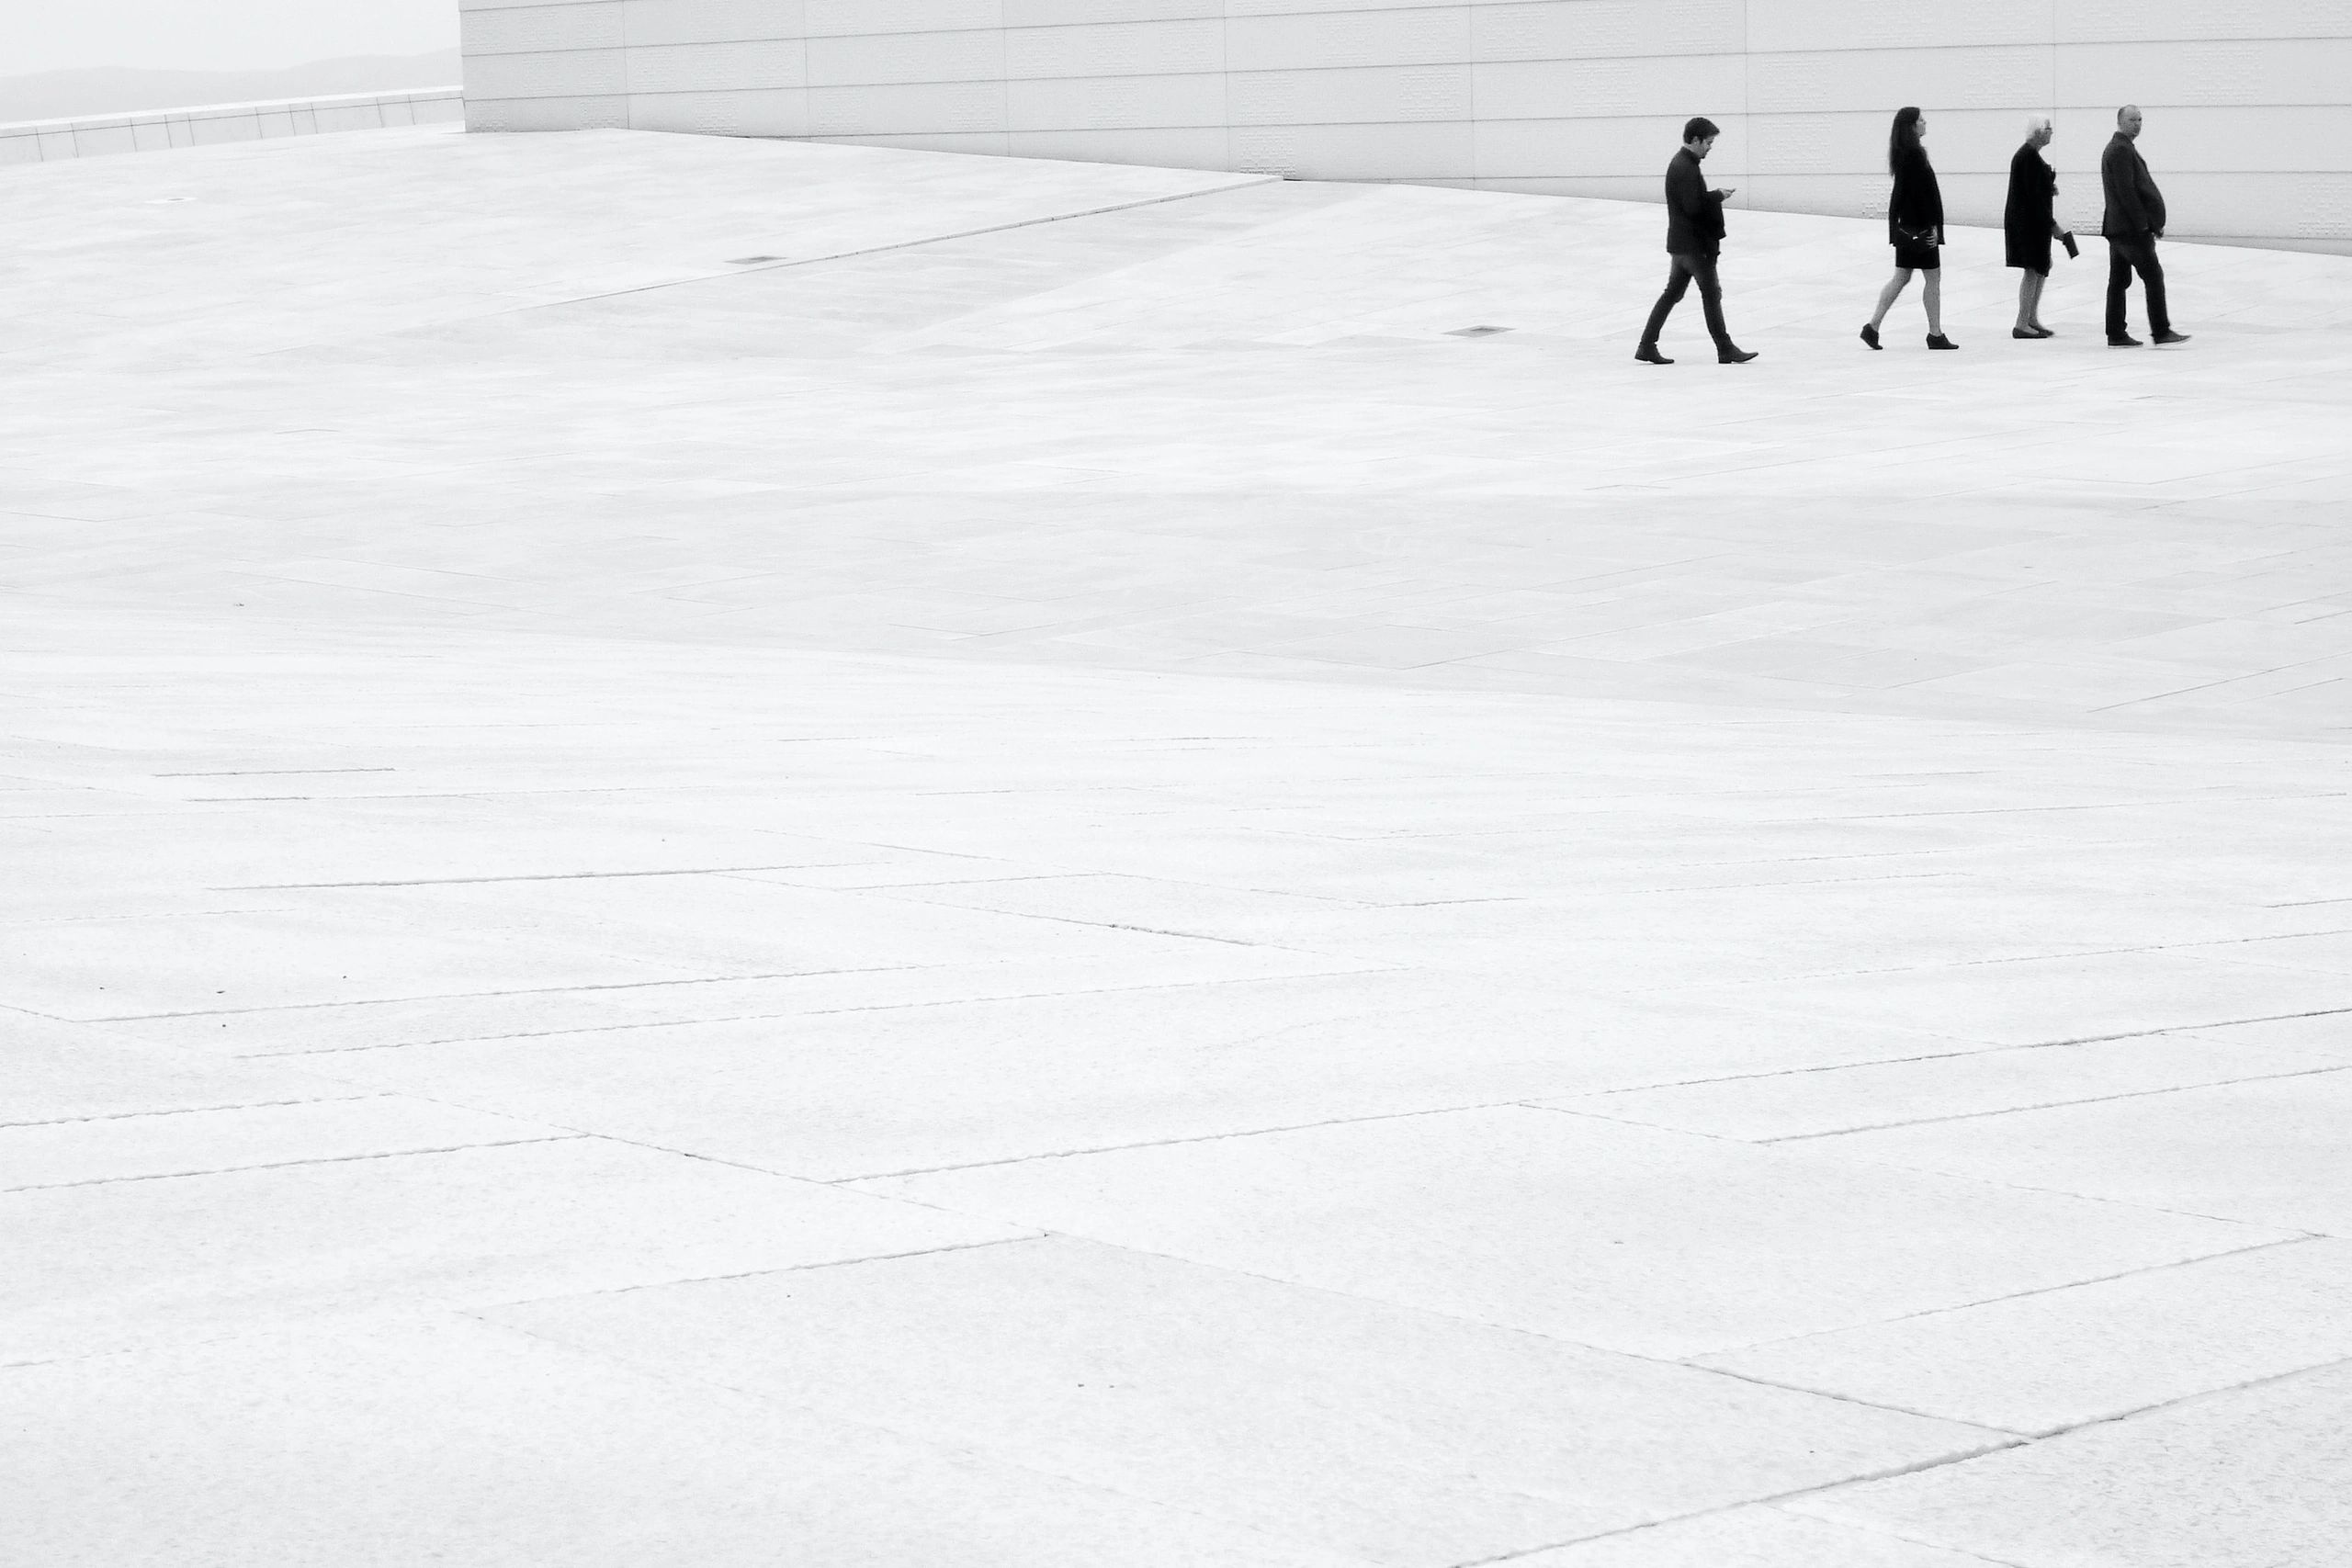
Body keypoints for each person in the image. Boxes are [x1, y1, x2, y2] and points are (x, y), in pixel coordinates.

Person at [1636, 117, 1758, 365]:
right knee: (1711, 294)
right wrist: (1718, 195)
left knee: (1672, 294)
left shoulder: (1680, 163)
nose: (1710, 148)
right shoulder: (1686, 167)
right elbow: (1694, 207)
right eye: (1709, 143)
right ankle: (1725, 348)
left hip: (1680, 245)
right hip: (1694, 247)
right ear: (1695, 140)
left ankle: (1646, 345)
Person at [1862, 107, 1956, 350]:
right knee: (1932, 277)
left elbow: (1900, 196)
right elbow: (1922, 196)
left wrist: (1896, 229)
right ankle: (1935, 333)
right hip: (1921, 229)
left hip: (1908, 228)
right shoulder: (1914, 155)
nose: (1925, 123)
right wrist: (1933, 227)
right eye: (1921, 120)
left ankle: (1872, 326)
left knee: (1902, 277)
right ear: (1912, 127)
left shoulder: (1904, 154)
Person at [2102, 105, 2189, 346]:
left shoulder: (2121, 148)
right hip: (2130, 230)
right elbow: (2127, 192)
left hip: (2120, 228)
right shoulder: (2120, 150)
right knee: (2153, 276)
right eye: (2132, 119)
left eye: (2140, 119)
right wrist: (2144, 225)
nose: (2138, 123)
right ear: (2120, 121)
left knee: (2119, 281)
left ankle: (2116, 333)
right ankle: (2160, 331)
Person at [2005, 116, 2074, 337]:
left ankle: (2030, 317)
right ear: (2037, 132)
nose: (2051, 132)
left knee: (2042, 265)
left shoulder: (2030, 157)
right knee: (2033, 268)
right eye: (2047, 129)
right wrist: (2054, 227)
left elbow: (2035, 188)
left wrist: (2049, 188)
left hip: (2032, 222)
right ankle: (2022, 322)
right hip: (2028, 224)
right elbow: (2032, 198)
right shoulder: (2027, 157)